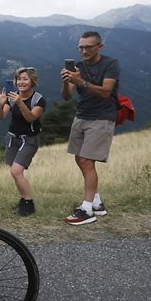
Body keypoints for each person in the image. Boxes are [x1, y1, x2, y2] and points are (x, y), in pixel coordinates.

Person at [61, 31, 120, 226]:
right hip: (82, 115)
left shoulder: (110, 64)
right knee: (80, 158)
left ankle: (87, 210)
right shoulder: (77, 67)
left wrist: (81, 82)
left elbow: (106, 92)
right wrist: (67, 82)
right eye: (81, 47)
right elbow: (68, 97)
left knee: (87, 160)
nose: (84, 51)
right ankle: (96, 202)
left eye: (88, 47)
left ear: (99, 47)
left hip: (102, 117)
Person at [0, 67, 46, 216]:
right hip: (13, 138)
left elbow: (31, 118)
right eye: (19, 79)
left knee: (16, 171)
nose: (21, 82)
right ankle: (24, 200)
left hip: (29, 139)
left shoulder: (38, 100)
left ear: (32, 81)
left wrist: (20, 103)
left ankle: (29, 204)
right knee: (15, 172)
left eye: (25, 79)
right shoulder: (12, 96)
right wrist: (0, 104)